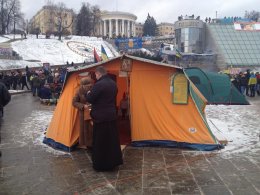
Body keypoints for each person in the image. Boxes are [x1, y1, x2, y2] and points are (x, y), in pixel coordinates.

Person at [86, 66, 123, 171]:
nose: (96, 77)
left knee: (100, 141)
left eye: (96, 75)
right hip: (111, 115)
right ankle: (113, 162)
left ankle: (101, 164)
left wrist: (88, 93)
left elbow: (91, 99)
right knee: (112, 141)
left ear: (98, 74)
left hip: (100, 117)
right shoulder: (113, 83)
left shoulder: (99, 85)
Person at [72, 77, 93, 149]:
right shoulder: (79, 91)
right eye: (87, 86)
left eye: (90, 85)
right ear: (83, 85)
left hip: (93, 112)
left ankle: (94, 144)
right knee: (86, 130)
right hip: (83, 114)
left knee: (93, 129)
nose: (89, 87)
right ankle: (88, 145)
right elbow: (74, 102)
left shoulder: (94, 89)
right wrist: (83, 106)